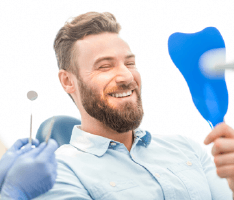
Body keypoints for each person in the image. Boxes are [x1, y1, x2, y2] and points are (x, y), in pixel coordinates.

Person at [36, 12, 234, 199]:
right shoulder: (56, 174)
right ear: (68, 81)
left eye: (130, 63)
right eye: (105, 66)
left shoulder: (187, 148)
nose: (127, 76)